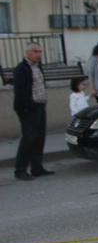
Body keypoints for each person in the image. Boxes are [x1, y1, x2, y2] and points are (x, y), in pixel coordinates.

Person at [13, 42, 54, 181]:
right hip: (29, 108)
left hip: (40, 106)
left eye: (40, 51)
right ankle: (20, 169)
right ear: (28, 53)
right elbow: (19, 91)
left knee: (39, 138)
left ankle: (37, 167)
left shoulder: (37, 67)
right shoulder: (22, 68)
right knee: (29, 138)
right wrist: (31, 105)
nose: (38, 54)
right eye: (35, 51)